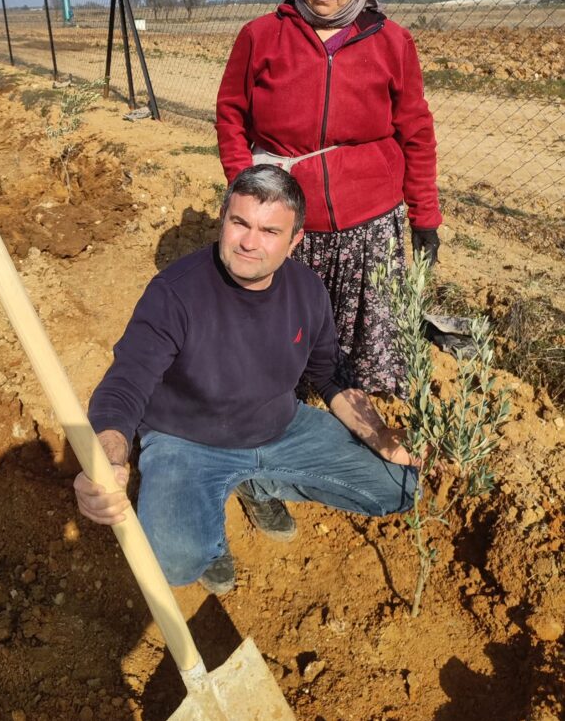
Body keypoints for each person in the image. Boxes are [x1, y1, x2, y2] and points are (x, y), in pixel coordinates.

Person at [74, 165, 417, 594]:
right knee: (176, 564)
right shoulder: (175, 292)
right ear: (224, 220)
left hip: (281, 427)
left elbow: (329, 375)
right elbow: (126, 384)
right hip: (187, 441)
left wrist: (379, 434)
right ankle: (212, 541)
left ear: (295, 241)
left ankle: (256, 483)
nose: (250, 243)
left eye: (270, 231)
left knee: (398, 488)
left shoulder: (308, 291)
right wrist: (107, 457)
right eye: (240, 223)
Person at [216, 0, 442, 397]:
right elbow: (230, 116)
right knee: (285, 334)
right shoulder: (261, 36)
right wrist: (248, 186)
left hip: (369, 219)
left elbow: (417, 132)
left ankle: (361, 411)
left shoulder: (392, 42)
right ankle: (282, 402)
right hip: (291, 218)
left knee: (367, 347)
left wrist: (425, 217)